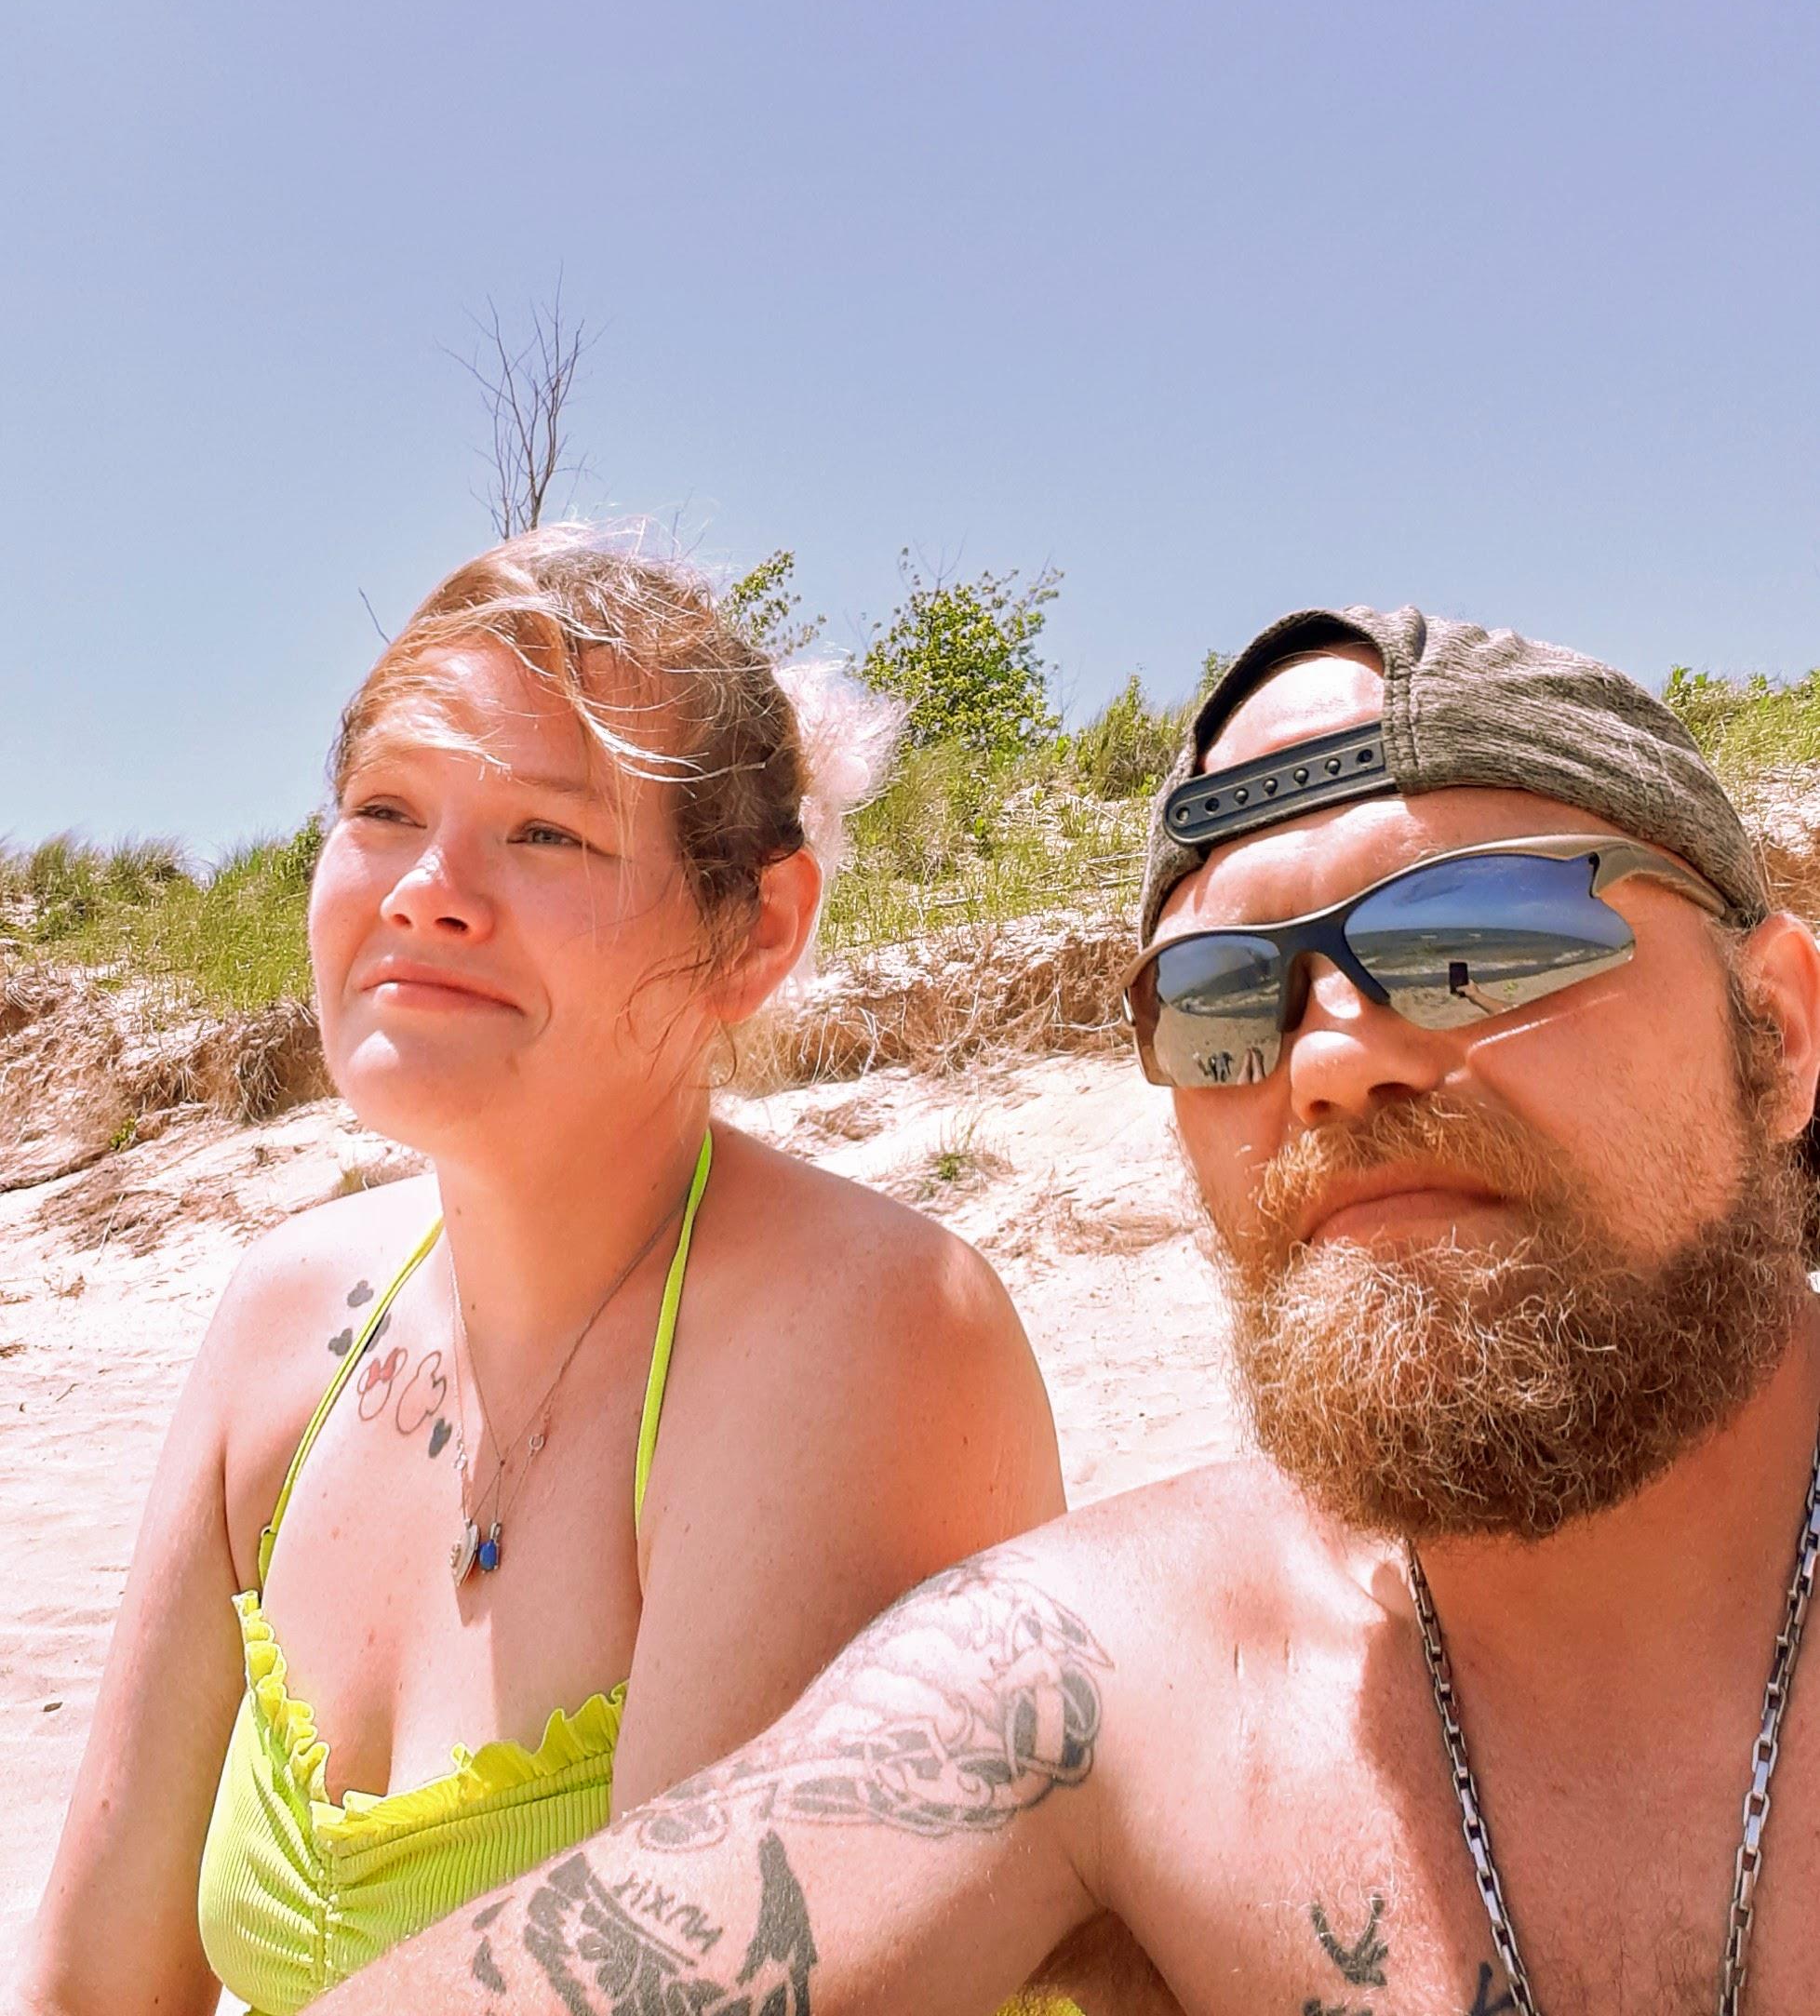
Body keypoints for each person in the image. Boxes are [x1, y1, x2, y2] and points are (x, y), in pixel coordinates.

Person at [314, 602, 1820, 2016]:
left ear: (1780, 1027)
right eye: (1229, 1000)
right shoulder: (1106, 1688)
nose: (1334, 1059)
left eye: (1477, 941)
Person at [15, 527, 1065, 2016]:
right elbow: (88, 1988)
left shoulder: (864, 1330)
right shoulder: (284, 1321)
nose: (427, 891)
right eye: (384, 810)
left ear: (755, 934)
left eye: (547, 833)